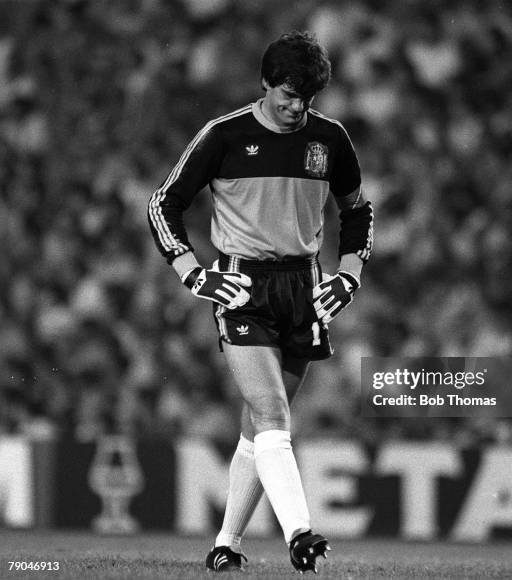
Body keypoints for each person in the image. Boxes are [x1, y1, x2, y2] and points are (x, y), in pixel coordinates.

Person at [147, 30, 373, 573]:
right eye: (287, 96)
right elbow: (163, 205)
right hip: (243, 288)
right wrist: (192, 273)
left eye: (307, 99)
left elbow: (358, 212)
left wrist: (349, 275)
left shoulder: (331, 139)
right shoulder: (222, 136)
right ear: (265, 85)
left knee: (259, 424)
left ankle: (226, 544)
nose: (297, 108)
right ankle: (300, 533)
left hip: (304, 288)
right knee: (274, 413)